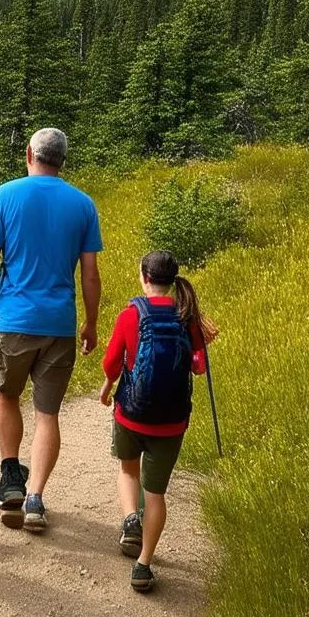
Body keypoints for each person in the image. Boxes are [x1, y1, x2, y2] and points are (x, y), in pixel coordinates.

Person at [0, 127, 102, 531]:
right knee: (47, 414)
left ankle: (10, 477)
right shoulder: (83, 205)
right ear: (62, 160)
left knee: (5, 395)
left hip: (14, 322)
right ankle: (36, 496)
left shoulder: (4, 196)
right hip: (59, 324)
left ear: (28, 154)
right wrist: (90, 322)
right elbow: (90, 275)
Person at [99, 249, 215, 593]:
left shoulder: (130, 315)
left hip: (131, 415)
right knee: (156, 493)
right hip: (172, 423)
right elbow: (198, 365)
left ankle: (130, 520)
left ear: (144, 277)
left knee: (127, 470)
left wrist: (108, 387)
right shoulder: (187, 317)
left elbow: (111, 363)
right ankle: (144, 565)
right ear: (173, 279)